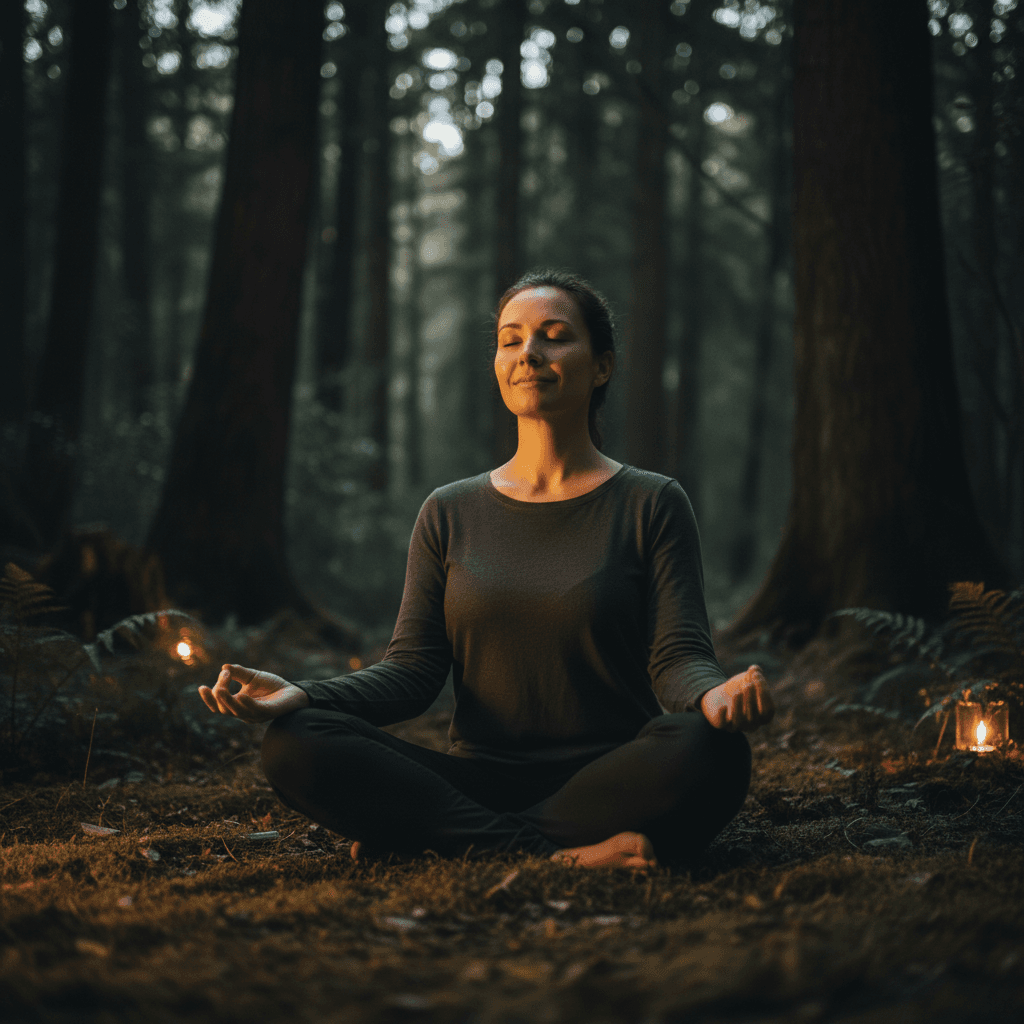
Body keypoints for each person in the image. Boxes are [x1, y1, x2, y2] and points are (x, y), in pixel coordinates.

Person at [199, 269, 774, 871]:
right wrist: (305, 693)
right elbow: (414, 670)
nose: (530, 352)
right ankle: (550, 856)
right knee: (296, 741)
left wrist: (713, 696)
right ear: (498, 364)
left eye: (555, 336)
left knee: (712, 749)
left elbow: (678, 655)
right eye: (511, 339)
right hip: (476, 779)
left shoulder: (651, 502)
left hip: (609, 777)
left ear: (601, 366)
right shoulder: (449, 510)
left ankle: (439, 842)